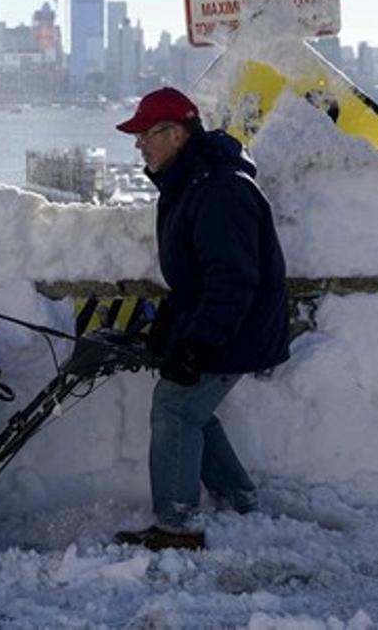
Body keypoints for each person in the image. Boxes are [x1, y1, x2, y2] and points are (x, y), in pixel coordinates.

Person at [112, 87, 290, 551]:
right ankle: (239, 499)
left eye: (146, 135)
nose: (139, 146)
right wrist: (170, 330)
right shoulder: (191, 182)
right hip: (228, 324)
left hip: (238, 328)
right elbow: (195, 277)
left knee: (174, 408)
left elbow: (231, 279)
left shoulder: (216, 189)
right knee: (192, 409)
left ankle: (177, 526)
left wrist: (197, 345)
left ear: (176, 134)